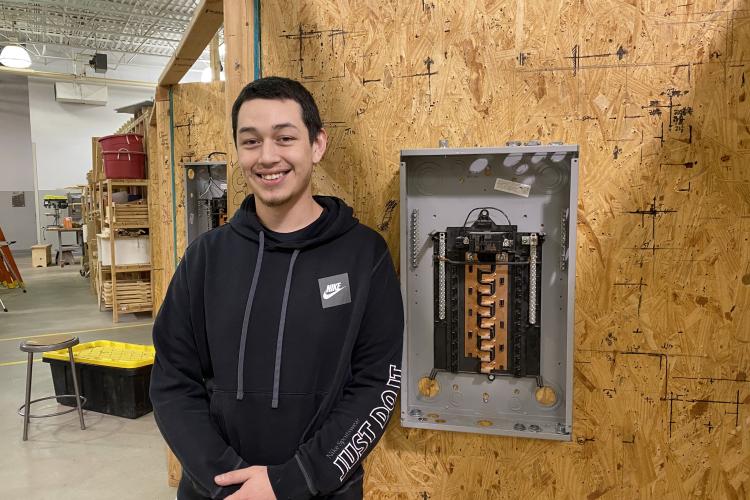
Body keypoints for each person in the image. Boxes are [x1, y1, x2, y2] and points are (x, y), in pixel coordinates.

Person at [150, 76, 404, 500]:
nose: (267, 157)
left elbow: (379, 383)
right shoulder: (206, 257)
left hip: (321, 489)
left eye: (284, 138)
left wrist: (295, 479)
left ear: (316, 144)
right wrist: (227, 480)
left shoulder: (364, 255)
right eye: (251, 142)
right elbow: (172, 381)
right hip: (217, 491)